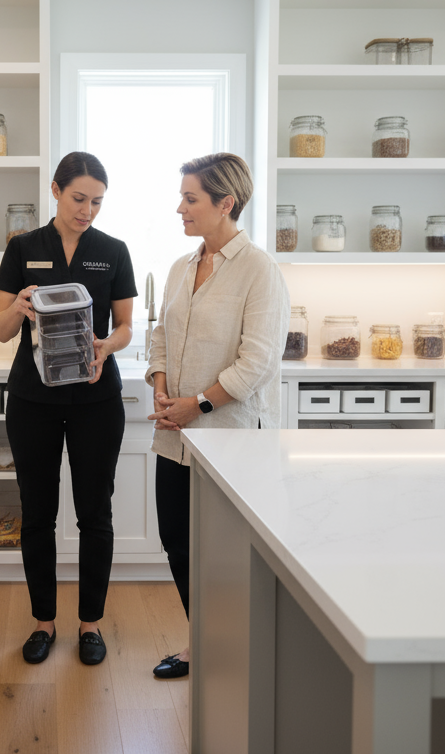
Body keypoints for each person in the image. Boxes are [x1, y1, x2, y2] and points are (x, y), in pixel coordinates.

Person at [145, 152, 287, 679]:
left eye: (190, 198)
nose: (180, 207)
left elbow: (258, 362)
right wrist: (161, 389)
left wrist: (197, 403)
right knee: (179, 545)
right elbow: (160, 334)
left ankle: (240, 650)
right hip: (174, 436)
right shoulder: (184, 266)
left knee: (226, 556)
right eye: (183, 197)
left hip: (227, 439)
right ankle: (204, 643)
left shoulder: (259, 270)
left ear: (225, 203)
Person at [0, 151, 137, 666]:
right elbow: (0, 330)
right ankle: (43, 623)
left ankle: (90, 624)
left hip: (97, 399)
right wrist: (18, 307)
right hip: (33, 399)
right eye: (79, 199)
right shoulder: (23, 248)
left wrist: (106, 346)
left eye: (97, 202)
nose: (88, 211)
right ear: (55, 190)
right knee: (38, 513)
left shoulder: (113, 251)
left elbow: (125, 327)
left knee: (95, 513)